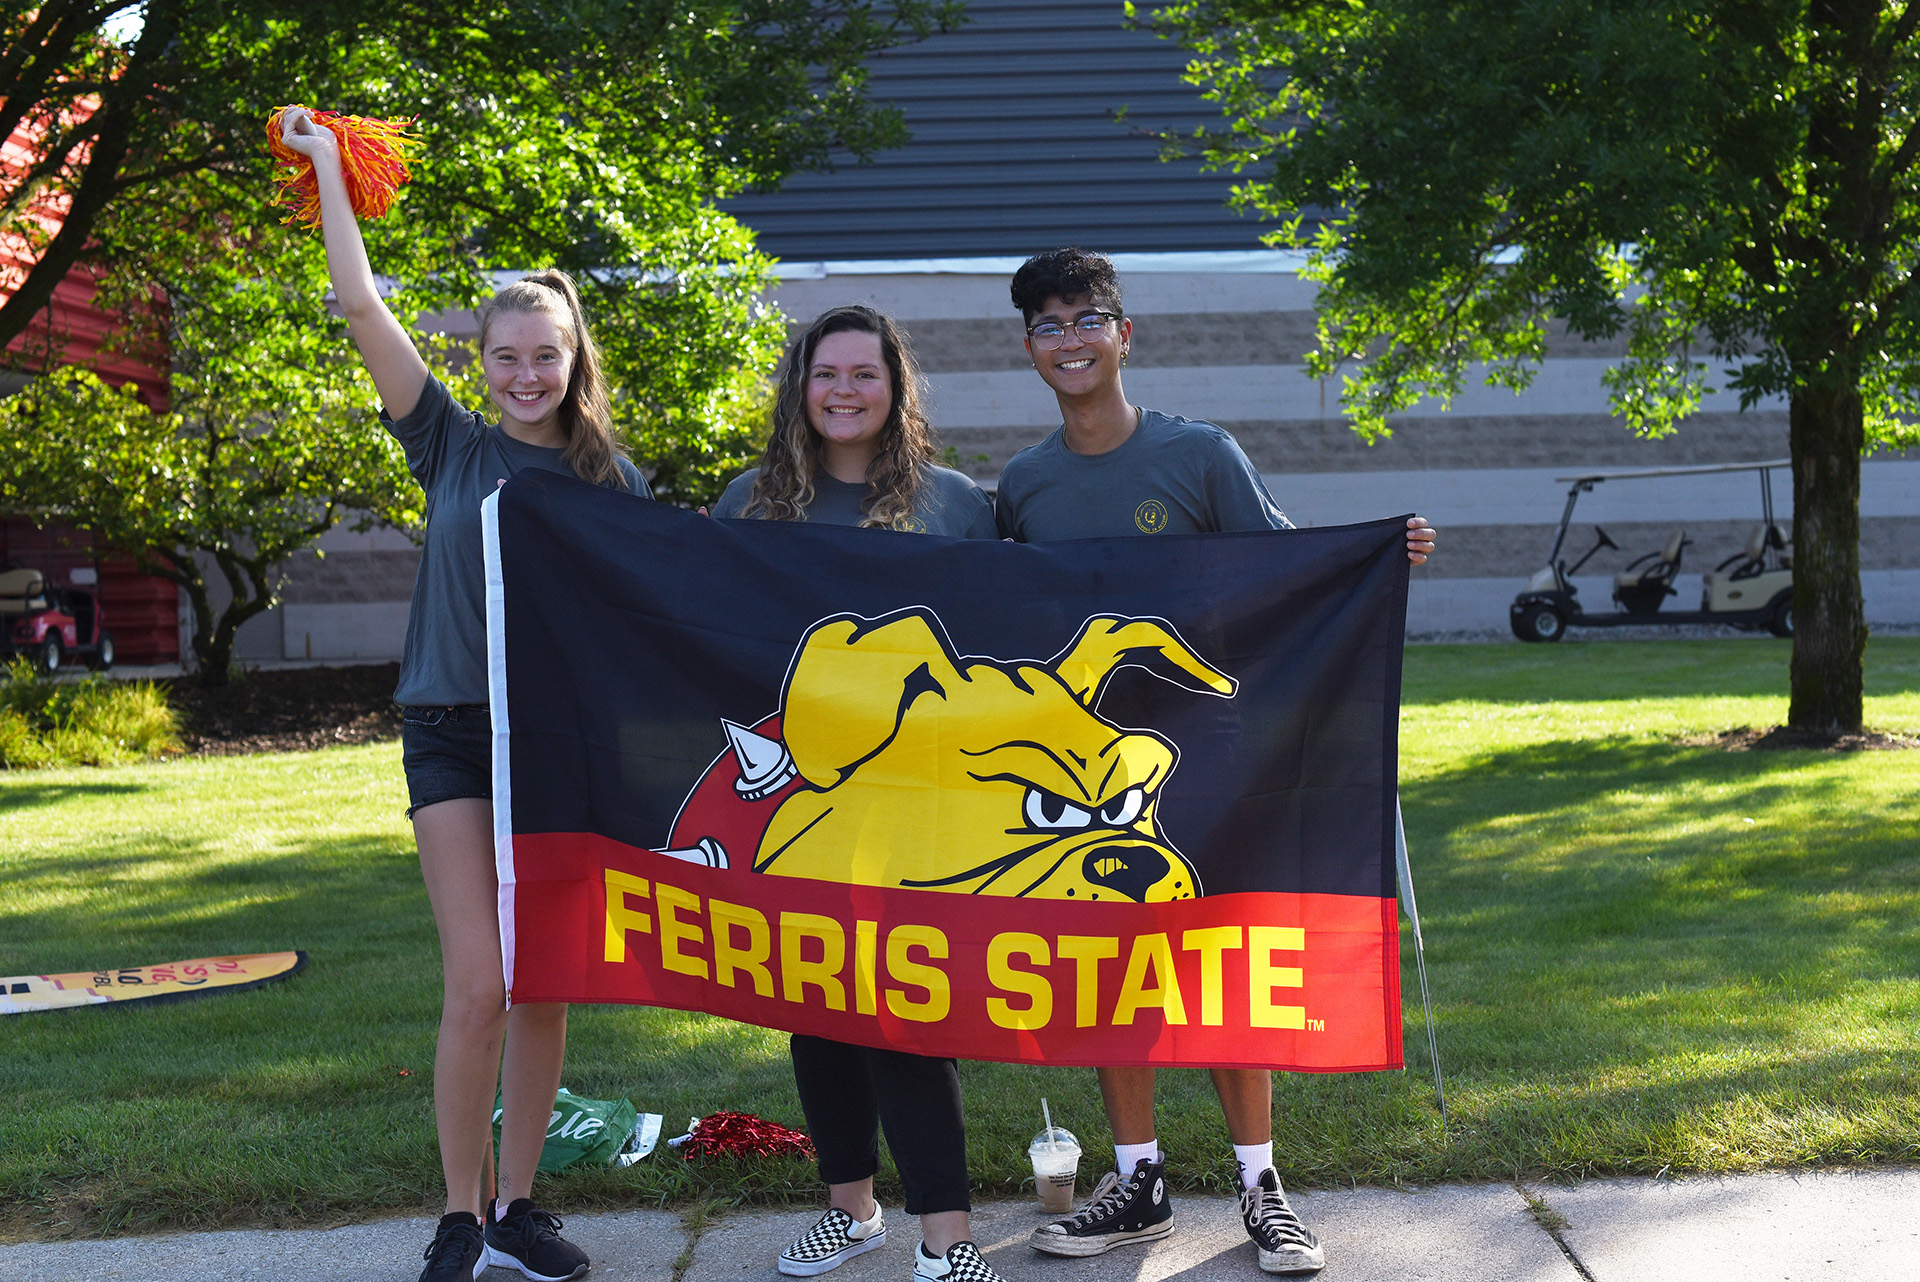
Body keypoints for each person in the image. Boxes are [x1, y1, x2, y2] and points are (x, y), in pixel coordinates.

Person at [997, 248, 1437, 1277]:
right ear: (1029, 348)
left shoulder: (1201, 455)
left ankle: (1259, 1183)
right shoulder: (1022, 484)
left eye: (1087, 318)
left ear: (1124, 334)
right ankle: (1139, 1179)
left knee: (1221, 964)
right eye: (1049, 325)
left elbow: (1285, 567)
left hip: (1215, 759)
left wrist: (1380, 551)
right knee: (1103, 970)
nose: (1070, 340)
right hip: (1088, 776)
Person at [279, 108, 650, 1282]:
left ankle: (520, 1207)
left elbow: (649, 622)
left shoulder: (611, 480)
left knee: (545, 981)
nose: (527, 372)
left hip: (555, 747)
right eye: (506, 355)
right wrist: (334, 167)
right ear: (480, 363)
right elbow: (357, 304)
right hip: (449, 733)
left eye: (547, 354)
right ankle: (457, 1214)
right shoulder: (447, 443)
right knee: (480, 984)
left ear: (575, 360)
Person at [711, 305, 1001, 1282]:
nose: (843, 390)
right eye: (824, 373)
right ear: (800, 386)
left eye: (863, 374)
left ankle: (948, 1241)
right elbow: (700, 639)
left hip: (921, 800)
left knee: (912, 1003)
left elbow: (1004, 639)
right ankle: (851, 1209)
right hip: (796, 800)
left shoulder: (956, 503)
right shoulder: (747, 504)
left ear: (895, 388)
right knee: (817, 1002)